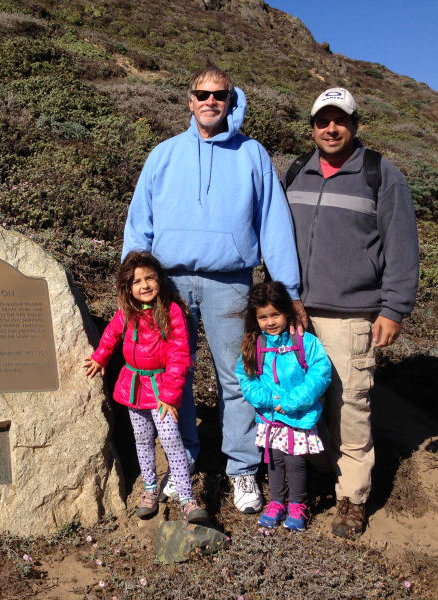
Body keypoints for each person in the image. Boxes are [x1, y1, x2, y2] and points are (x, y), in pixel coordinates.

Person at [122, 65, 304, 514]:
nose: (209, 101)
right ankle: (181, 460)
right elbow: (138, 225)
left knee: (239, 377)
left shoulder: (253, 155)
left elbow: (274, 225)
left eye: (219, 95)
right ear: (189, 100)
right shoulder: (162, 155)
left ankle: (241, 471)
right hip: (170, 285)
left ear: (231, 100)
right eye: (201, 94)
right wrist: (132, 289)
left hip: (232, 283)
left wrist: (290, 291)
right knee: (172, 377)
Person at [283, 87, 419, 538]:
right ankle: (320, 472)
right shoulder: (297, 171)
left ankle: (352, 497)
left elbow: (402, 246)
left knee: (350, 406)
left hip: (354, 314)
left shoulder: (381, 173)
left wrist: (394, 308)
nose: (331, 128)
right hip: (297, 312)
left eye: (340, 120)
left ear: (355, 125)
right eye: (323, 120)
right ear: (313, 126)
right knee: (305, 401)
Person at [83, 251, 208, 523]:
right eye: (137, 281)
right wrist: (100, 357)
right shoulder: (126, 312)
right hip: (134, 385)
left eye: (150, 278)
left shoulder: (171, 311)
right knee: (142, 440)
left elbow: (179, 355)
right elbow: (112, 335)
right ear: (127, 287)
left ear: (160, 280)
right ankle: (150, 490)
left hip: (162, 388)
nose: (145, 285)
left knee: (172, 441)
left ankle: (187, 498)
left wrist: (171, 396)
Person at [235, 282, 331, 531]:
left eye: (275, 314)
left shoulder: (305, 342)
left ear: (287, 312)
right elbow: (246, 378)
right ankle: (277, 501)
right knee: (274, 460)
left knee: (296, 462)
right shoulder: (254, 345)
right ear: (255, 318)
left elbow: (320, 374)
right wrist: (268, 400)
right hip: (270, 417)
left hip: (298, 416)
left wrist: (290, 401)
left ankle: (297, 504)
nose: (269, 322)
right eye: (263, 317)